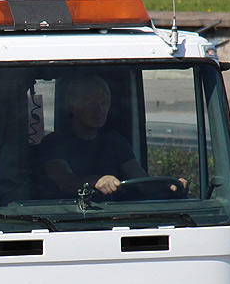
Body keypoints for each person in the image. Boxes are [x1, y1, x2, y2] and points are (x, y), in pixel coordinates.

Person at [39, 74, 181, 197]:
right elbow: (64, 181)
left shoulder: (116, 143)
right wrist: (97, 181)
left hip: (114, 219)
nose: (100, 110)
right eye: (92, 104)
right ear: (72, 106)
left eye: (104, 104)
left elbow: (141, 181)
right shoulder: (53, 143)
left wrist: (170, 185)